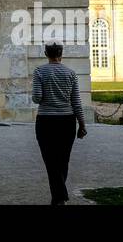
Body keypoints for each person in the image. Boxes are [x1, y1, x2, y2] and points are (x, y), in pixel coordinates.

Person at [31, 42, 87, 204]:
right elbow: (76, 102)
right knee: (63, 159)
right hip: (67, 121)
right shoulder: (71, 73)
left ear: (45, 54)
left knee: (50, 159)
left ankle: (59, 197)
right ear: (61, 54)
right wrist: (82, 125)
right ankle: (59, 197)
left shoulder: (39, 71)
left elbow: (37, 98)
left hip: (46, 120)